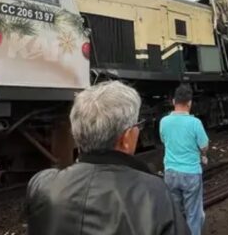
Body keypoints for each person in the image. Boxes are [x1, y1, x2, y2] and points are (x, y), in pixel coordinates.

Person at [26, 81, 189, 235]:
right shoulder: (155, 193)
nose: (139, 130)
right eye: (137, 125)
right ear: (125, 139)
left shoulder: (42, 185)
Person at [159, 84, 209, 235]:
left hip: (170, 173)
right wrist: (203, 155)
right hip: (191, 173)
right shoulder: (195, 123)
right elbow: (204, 145)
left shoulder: (164, 121)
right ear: (190, 103)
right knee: (194, 214)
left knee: (175, 213)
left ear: (174, 101)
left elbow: (164, 140)